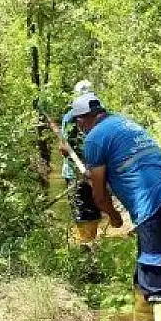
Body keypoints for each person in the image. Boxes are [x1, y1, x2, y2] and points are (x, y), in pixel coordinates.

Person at [71, 92, 161, 321]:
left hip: (153, 204)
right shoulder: (126, 123)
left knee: (157, 278)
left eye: (78, 122)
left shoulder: (94, 138)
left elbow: (100, 195)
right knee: (145, 269)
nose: (78, 128)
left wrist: (115, 218)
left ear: (84, 119)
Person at [59, 80, 102, 244]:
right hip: (76, 173)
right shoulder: (70, 118)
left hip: (94, 172)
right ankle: (87, 249)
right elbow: (64, 148)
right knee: (83, 213)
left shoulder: (100, 115)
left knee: (92, 211)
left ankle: (90, 249)